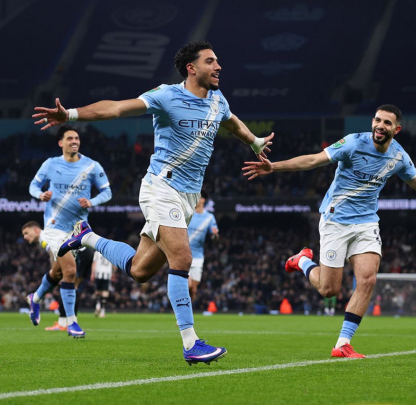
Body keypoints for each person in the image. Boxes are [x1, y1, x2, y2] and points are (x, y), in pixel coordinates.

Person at [33, 40, 273, 365]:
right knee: (182, 257)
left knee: (140, 270)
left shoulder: (218, 100)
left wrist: (254, 142)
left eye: (217, 61)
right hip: (162, 187)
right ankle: (191, 343)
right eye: (210, 61)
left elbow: (231, 121)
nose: (218, 66)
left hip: (188, 196)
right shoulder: (167, 95)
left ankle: (86, 237)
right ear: (191, 68)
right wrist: (71, 114)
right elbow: (117, 108)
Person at [242, 104, 416, 358]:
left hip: (366, 223)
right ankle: (302, 261)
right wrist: (274, 167)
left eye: (386, 123)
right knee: (329, 290)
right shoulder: (353, 143)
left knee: (368, 279)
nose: (380, 126)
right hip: (336, 220)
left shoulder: (399, 157)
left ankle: (342, 344)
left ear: (396, 129)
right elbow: (313, 160)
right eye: (377, 120)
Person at [27, 125, 112, 338]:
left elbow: (107, 192)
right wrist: (40, 195)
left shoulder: (91, 166)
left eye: (77, 138)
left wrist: (92, 202)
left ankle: (35, 299)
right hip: (54, 228)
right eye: (70, 138)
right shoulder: (50, 164)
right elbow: (33, 186)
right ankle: (71, 323)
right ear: (61, 143)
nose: (74, 141)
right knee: (70, 271)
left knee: (57, 273)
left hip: (78, 229)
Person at [187, 191, 219, 302]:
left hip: (198, 257)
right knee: (188, 285)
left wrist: (215, 235)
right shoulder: (188, 213)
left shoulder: (209, 218)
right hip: (184, 254)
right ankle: (180, 308)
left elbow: (215, 239)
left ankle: (188, 309)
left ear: (203, 200)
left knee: (193, 289)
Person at [91, 250, 114, 318]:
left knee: (98, 290)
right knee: (105, 292)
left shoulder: (97, 252)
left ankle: (98, 305)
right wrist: (113, 273)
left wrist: (92, 273)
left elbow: (94, 263)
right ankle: (103, 311)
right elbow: (113, 264)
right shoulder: (110, 252)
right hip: (107, 274)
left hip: (98, 273)